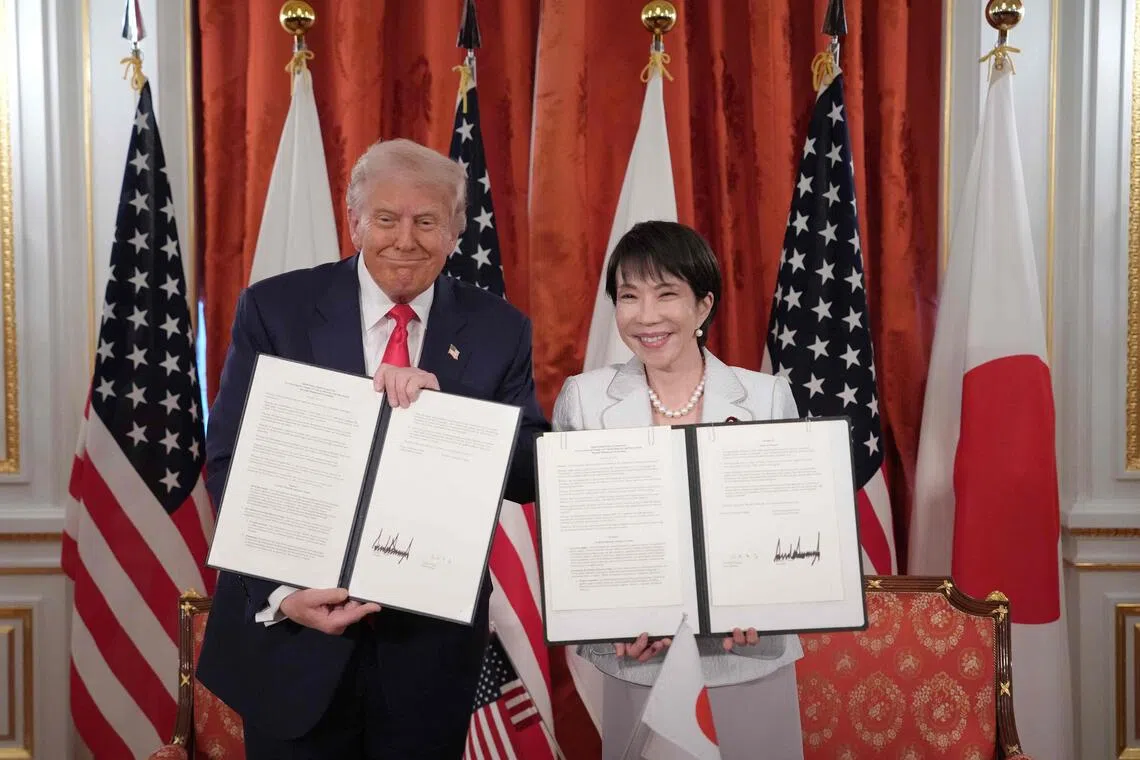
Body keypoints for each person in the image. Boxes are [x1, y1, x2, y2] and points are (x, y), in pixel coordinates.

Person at [197, 138, 549, 759]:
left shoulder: (500, 329)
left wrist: (450, 415)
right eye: (386, 219)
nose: (404, 239)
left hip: (427, 655)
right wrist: (281, 592)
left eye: (426, 221)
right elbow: (231, 458)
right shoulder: (276, 310)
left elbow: (527, 471)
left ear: (455, 231)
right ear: (355, 221)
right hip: (292, 641)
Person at [552, 220, 806, 759]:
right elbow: (578, 540)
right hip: (637, 658)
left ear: (703, 305)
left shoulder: (764, 398)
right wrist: (612, 622)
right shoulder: (584, 399)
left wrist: (767, 605)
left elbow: (786, 531)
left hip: (746, 657)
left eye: (667, 294)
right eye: (629, 296)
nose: (646, 316)